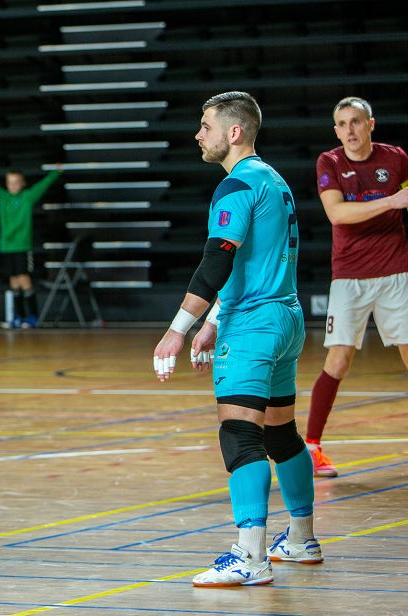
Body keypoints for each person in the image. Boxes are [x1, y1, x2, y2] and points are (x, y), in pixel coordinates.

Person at [153, 92, 321, 587]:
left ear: (234, 132)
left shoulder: (237, 185)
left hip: (255, 325)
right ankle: (301, 538)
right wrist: (213, 322)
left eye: (205, 125)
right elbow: (255, 262)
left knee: (239, 435)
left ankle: (250, 557)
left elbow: (219, 259)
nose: (197, 134)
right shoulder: (275, 181)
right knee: (280, 433)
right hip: (285, 318)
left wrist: (177, 331)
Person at [305, 97, 408, 477]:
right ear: (336, 130)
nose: (349, 130)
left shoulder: (396, 158)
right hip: (349, 277)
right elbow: (337, 213)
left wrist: (399, 198)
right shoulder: (329, 162)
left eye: (356, 122)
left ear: (370, 124)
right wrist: (393, 201)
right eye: (342, 124)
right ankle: (312, 447)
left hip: (398, 272)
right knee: (338, 361)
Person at [0, 155, 62, 328]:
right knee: (14, 282)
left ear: (22, 183)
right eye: (10, 182)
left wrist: (56, 172)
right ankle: (18, 317)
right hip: (7, 247)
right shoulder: (2, 197)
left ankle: (32, 317)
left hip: (22, 246)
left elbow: (43, 185)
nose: (13, 185)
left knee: (25, 281)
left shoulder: (27, 197)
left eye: (16, 182)